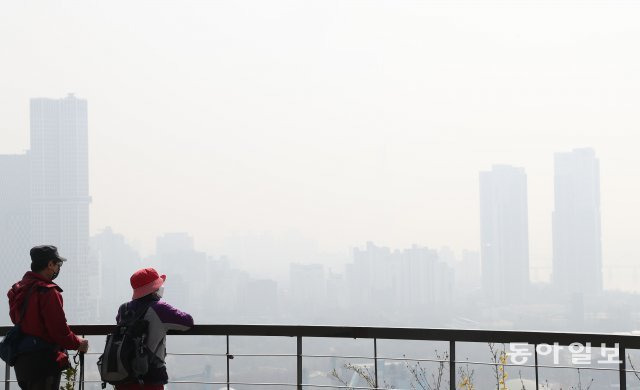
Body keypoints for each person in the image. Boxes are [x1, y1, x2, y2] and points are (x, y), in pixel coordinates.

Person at [7, 245, 89, 390]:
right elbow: (59, 330)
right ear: (50, 264)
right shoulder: (48, 292)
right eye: (58, 264)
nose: (58, 268)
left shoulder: (19, 289)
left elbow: (16, 319)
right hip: (43, 363)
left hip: (22, 363)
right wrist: (78, 343)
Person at [115, 267, 194, 390]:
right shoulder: (160, 308)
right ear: (155, 289)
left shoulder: (123, 309)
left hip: (123, 375)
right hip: (150, 377)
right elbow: (187, 322)